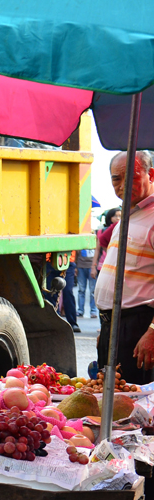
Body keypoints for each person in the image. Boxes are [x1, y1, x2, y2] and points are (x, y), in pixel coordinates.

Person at [95, 152, 154, 386]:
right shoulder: (128, 216)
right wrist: (108, 326)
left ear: (150, 175)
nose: (122, 185)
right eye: (116, 179)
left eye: (131, 177)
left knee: (135, 406)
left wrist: (152, 332)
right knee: (111, 399)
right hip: (114, 326)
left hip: (139, 327)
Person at [76, 245, 96, 319]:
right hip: (81, 266)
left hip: (91, 266)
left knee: (92, 291)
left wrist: (95, 267)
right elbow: (76, 252)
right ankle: (80, 310)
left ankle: (93, 311)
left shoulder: (95, 238)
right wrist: (76, 266)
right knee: (81, 290)